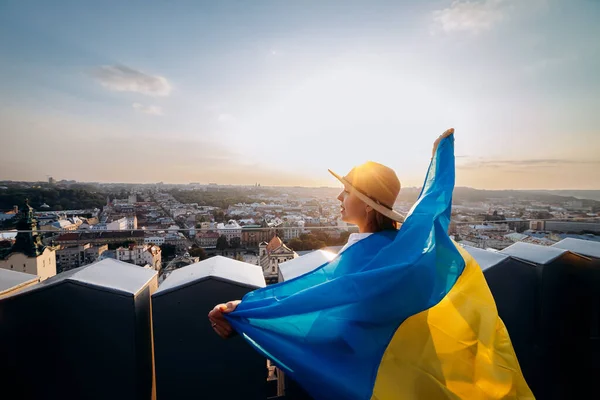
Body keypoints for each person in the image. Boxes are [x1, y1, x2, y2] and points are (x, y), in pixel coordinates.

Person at [208, 128, 455, 339]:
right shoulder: (400, 247)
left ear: (368, 204)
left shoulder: (362, 253)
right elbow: (431, 211)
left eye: (346, 191)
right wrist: (439, 159)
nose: (339, 197)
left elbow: (312, 298)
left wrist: (243, 309)